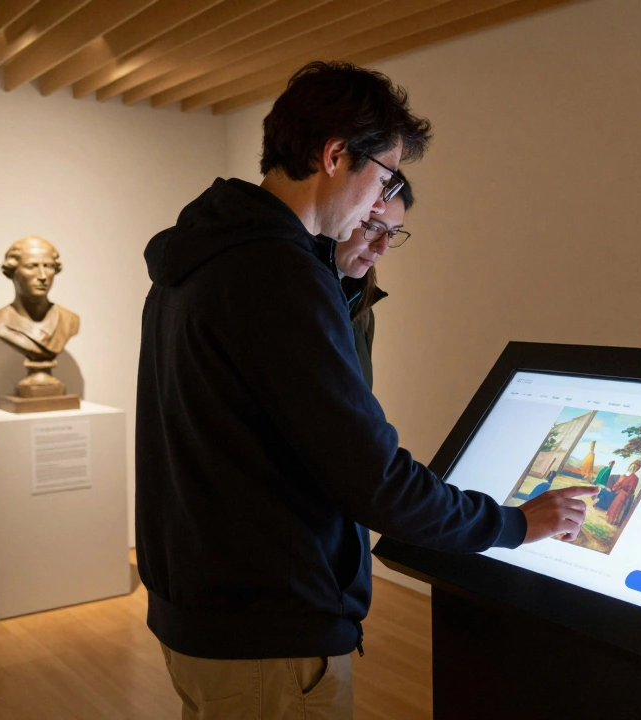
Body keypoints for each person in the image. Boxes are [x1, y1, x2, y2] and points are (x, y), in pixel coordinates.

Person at [135, 61, 591, 720]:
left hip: (205, 613)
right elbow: (372, 478)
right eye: (381, 177)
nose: (379, 202)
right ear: (334, 154)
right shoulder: (281, 276)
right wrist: (518, 524)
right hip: (268, 629)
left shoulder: (199, 259)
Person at [334, 180, 414, 389]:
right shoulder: (295, 292)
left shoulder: (363, 309)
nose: (382, 247)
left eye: (392, 233)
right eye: (373, 227)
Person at [606, 459, 641, 526]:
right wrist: (615, 488)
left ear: (636, 469)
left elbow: (631, 489)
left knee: (619, 501)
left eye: (635, 467)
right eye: (632, 466)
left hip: (625, 494)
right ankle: (610, 518)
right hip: (619, 491)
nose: (633, 468)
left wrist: (622, 489)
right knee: (615, 501)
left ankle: (613, 520)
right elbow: (619, 483)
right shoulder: (625, 475)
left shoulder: (635, 478)